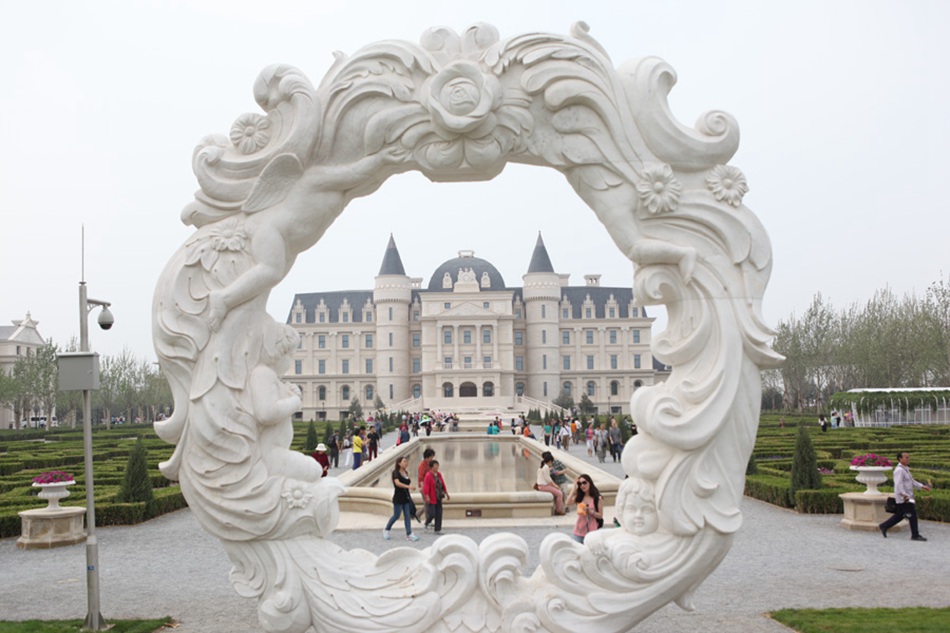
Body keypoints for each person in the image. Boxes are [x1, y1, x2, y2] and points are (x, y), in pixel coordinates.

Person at [879, 452, 931, 541]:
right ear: (900, 459)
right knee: (912, 515)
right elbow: (898, 484)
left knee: (901, 514)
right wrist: (904, 494)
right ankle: (915, 535)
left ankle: (884, 526)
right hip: (905, 498)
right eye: (906, 457)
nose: (908, 459)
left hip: (906, 496)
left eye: (908, 457)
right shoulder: (899, 470)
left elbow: (912, 481)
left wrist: (922, 486)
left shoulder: (905, 469)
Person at [383, 457, 419, 542]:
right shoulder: (395, 473)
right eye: (404, 461)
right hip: (398, 497)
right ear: (399, 463)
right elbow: (397, 483)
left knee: (407, 516)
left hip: (406, 497)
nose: (406, 463)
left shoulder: (406, 473)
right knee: (396, 515)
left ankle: (409, 534)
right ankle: (386, 529)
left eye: (406, 461)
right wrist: (408, 487)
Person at [567, 474, 603, 543]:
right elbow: (567, 503)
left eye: (584, 482)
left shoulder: (597, 498)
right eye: (580, 484)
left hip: (592, 532)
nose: (582, 485)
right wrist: (574, 488)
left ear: (589, 482)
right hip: (578, 532)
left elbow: (600, 515)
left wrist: (590, 511)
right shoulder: (580, 497)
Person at [422, 460, 450, 533]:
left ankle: (437, 529)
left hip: (439, 496)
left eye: (437, 465)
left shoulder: (439, 474)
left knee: (439, 513)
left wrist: (446, 493)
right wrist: (427, 495)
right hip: (432, 497)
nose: (437, 467)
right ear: (431, 467)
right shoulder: (428, 475)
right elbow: (426, 487)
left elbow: (443, 484)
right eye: (435, 465)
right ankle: (426, 523)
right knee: (432, 514)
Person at [418, 448, 436, 521]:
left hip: (429, 487)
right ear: (427, 457)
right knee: (427, 504)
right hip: (424, 487)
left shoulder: (429, 464)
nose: (432, 458)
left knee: (427, 503)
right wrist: (424, 489)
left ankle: (418, 514)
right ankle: (428, 520)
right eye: (431, 457)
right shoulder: (422, 466)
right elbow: (421, 478)